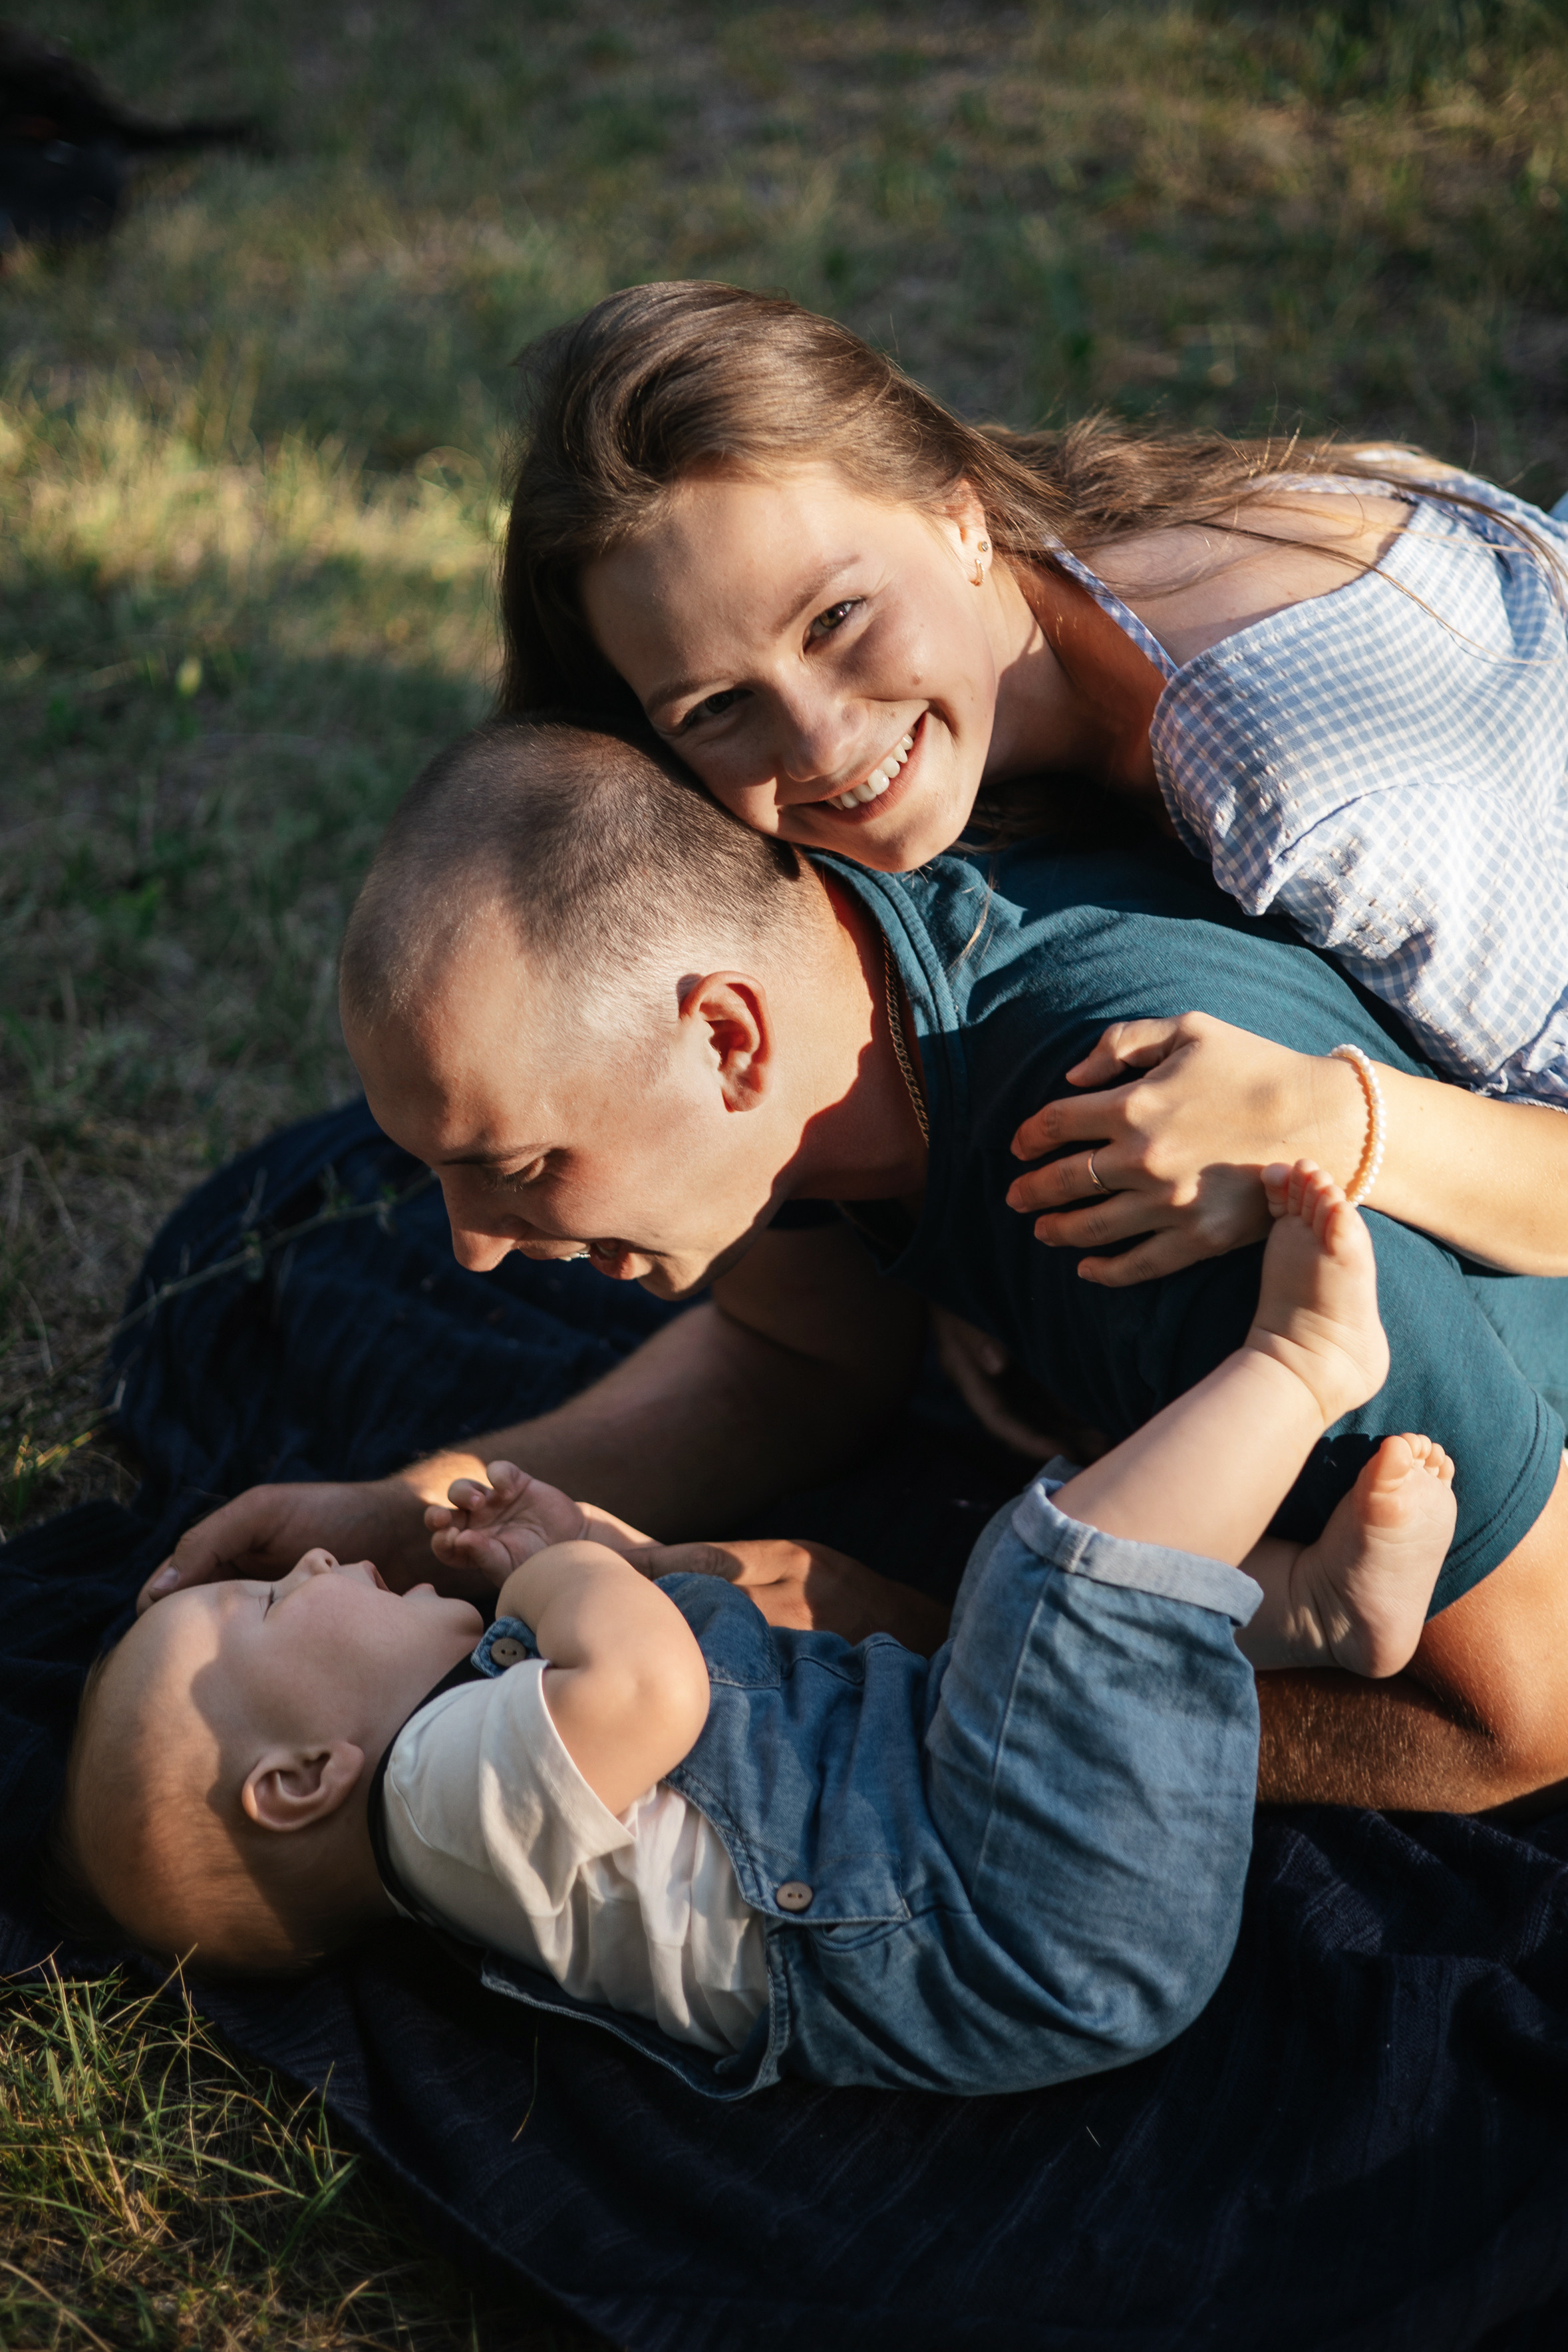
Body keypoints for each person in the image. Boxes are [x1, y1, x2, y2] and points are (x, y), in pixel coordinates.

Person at [142, 718, 1568, 1819]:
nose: (471, 1244)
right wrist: (408, 1521)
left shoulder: (1140, 1180)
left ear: (726, 1040)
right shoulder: (827, 1004)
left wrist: (926, 1655)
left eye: (514, 1166)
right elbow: (798, 1363)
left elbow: (1524, 1714)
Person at [57, 1162, 1454, 2097]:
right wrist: (553, 1575)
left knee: (1030, 1642)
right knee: (1049, 1577)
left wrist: (600, 1555)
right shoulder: (434, 1810)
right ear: (301, 1778)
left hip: (994, 1848)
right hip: (1022, 1908)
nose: (301, 1567)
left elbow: (650, 1653)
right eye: (263, 1608)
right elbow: (650, 1688)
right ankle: (1303, 1364)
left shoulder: (478, 1791)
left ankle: (1314, 1609)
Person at [495, 279, 1568, 1302]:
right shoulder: (1061, 571)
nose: (819, 741)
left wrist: (1326, 1119)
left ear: (957, 515)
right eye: (715, 706)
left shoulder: (1297, 784)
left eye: (835, 620)